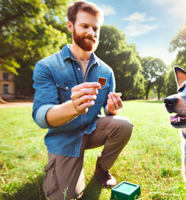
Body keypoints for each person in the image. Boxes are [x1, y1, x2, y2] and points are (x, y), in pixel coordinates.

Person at [32, 1, 133, 199]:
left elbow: (107, 112)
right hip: (64, 138)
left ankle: (102, 168)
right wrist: (72, 108)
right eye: (85, 26)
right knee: (66, 196)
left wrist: (113, 109)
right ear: (70, 26)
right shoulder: (46, 66)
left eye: (96, 28)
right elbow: (41, 115)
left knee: (124, 125)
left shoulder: (106, 71)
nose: (91, 32)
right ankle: (59, 168)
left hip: (92, 129)